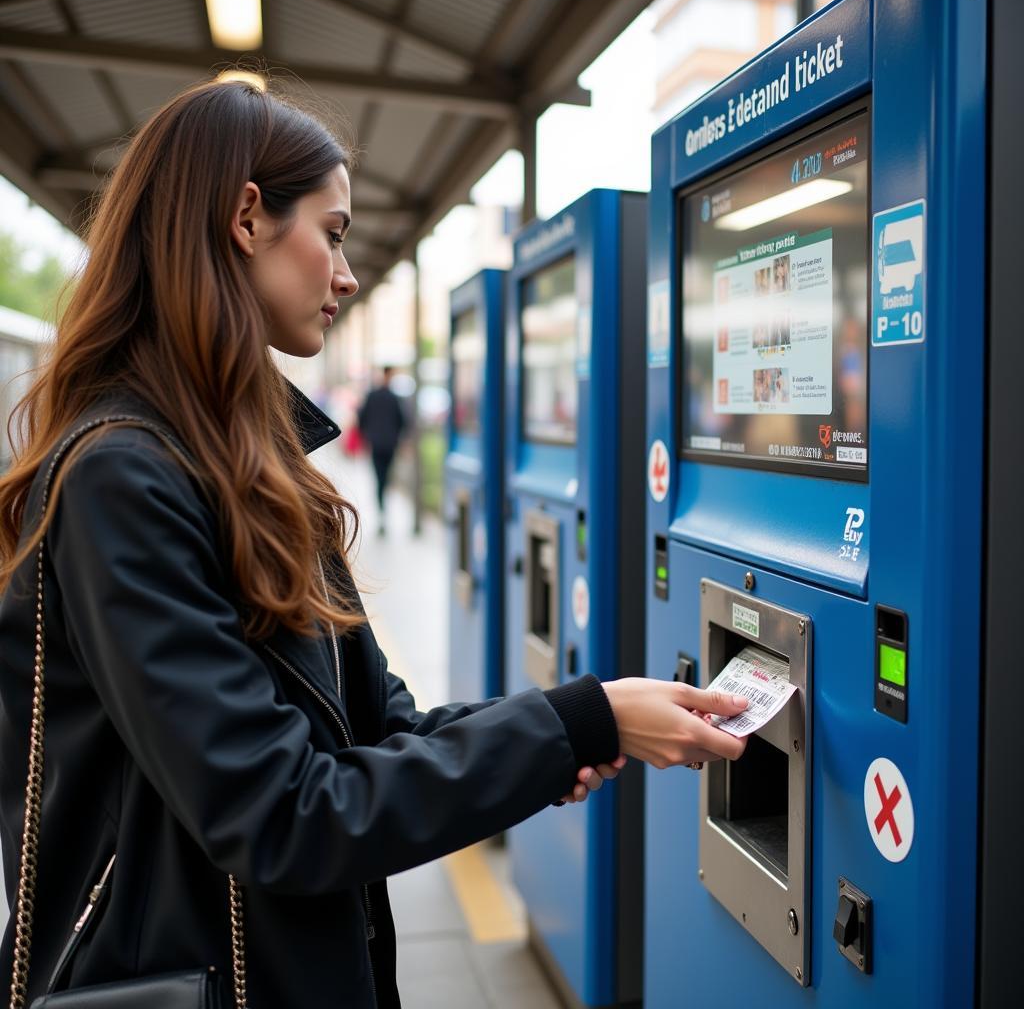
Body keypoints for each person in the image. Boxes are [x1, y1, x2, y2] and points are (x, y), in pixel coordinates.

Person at [0, 81, 748, 1008]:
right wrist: (574, 727)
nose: (348, 275)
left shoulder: (254, 468)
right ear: (245, 218)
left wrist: (577, 720)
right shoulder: (122, 480)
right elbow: (284, 811)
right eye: (336, 230)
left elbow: (383, 730)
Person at [357, 366, 406, 535]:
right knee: (385, 477)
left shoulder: (372, 396)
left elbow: (361, 418)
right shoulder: (394, 398)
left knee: (379, 477)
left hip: (376, 443)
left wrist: (367, 435)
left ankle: (381, 508)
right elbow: (402, 421)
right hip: (390, 444)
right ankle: (383, 506)